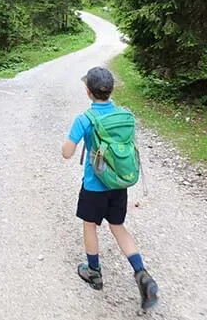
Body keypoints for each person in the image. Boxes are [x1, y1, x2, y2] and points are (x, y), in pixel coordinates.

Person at [61, 67, 159, 311]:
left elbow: (66, 153)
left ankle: (94, 272)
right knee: (118, 227)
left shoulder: (85, 119)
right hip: (118, 183)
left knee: (89, 225)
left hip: (95, 186)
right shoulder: (125, 115)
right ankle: (142, 273)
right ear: (111, 90)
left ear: (88, 92)